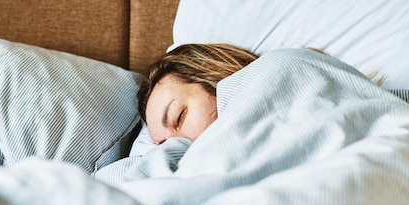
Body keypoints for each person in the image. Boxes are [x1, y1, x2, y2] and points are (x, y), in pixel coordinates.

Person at [137, 43, 385, 146]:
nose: (177, 145)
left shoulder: (283, 71)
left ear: (215, 79)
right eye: (164, 145)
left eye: (179, 117)